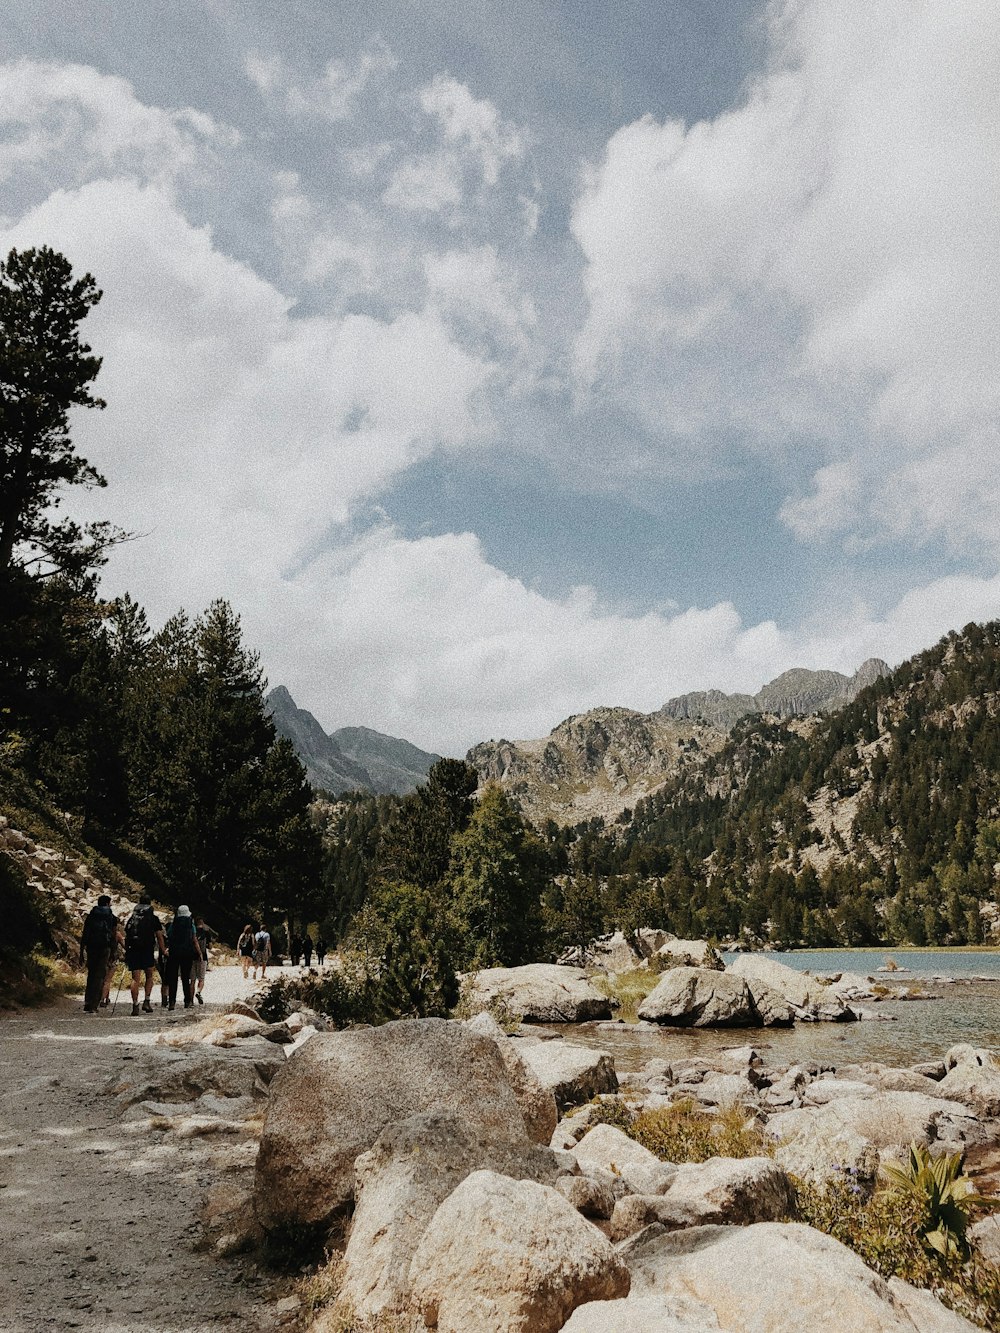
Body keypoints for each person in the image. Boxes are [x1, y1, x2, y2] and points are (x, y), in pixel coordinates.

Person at [122, 895, 166, 1016]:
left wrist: (127, 950)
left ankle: (135, 1004)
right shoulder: (153, 918)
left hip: (134, 950)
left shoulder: (133, 917)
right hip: (147, 949)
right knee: (149, 975)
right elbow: (159, 936)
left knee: (135, 978)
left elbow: (127, 934)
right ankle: (146, 1001)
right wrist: (163, 950)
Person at [79, 895, 117, 1014]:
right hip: (104, 948)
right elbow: (113, 936)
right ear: (107, 904)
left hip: (91, 947)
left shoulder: (91, 916)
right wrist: (114, 952)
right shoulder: (112, 917)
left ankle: (87, 1002)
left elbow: (85, 933)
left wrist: (81, 951)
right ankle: (94, 1004)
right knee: (100, 975)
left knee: (91, 974)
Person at [164, 905, 201, 1009]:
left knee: (173, 978)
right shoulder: (191, 924)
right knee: (185, 978)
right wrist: (199, 953)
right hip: (187, 953)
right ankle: (187, 1001)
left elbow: (169, 935)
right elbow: (194, 939)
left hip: (174, 953)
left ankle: (172, 1002)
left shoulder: (173, 924)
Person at [100, 916, 126, 1008]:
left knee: (101, 978)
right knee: (108, 980)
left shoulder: (100, 932)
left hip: (101, 958)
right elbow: (125, 946)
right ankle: (103, 999)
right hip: (112, 959)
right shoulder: (117, 934)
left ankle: (106, 998)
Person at [191, 916, 210, 1004]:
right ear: (202, 923)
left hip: (191, 957)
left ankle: (190, 1000)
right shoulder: (206, 932)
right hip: (203, 957)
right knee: (201, 978)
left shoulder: (191, 932)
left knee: (192, 980)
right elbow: (210, 946)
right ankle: (198, 992)